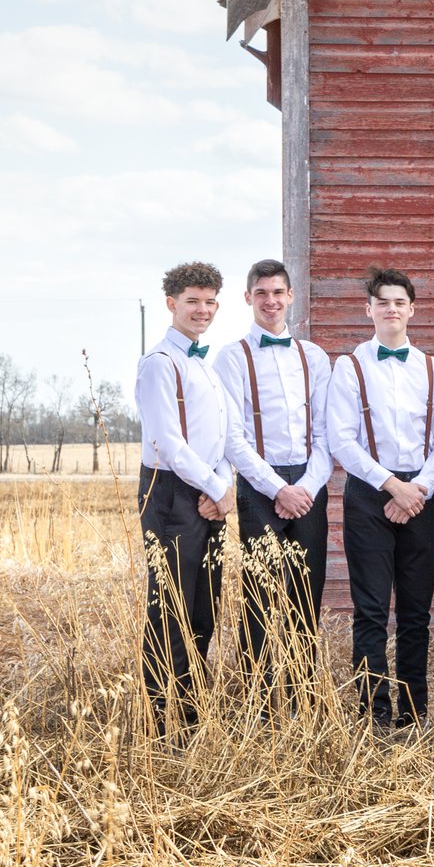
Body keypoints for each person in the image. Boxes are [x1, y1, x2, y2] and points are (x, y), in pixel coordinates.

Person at [327, 265, 434, 731]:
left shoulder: (433, 369)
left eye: (399, 302)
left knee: (415, 612)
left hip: (421, 496)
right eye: (382, 301)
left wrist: (418, 488)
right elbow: (341, 440)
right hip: (369, 494)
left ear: (412, 309)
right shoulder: (349, 366)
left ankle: (413, 714)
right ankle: (374, 714)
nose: (391, 309)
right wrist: (391, 486)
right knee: (369, 610)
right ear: (369, 309)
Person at [212, 259, 331, 691]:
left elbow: (325, 433)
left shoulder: (313, 356)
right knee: (258, 598)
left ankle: (303, 698)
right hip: (259, 487)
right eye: (261, 293)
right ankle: (258, 703)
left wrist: (305, 487)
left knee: (306, 595)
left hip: (309, 485)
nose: (270, 301)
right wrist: (278, 488)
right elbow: (232, 437)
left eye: (278, 292)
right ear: (248, 299)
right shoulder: (232, 357)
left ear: (291, 297)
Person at [136, 260, 242, 729]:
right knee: (169, 610)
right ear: (171, 304)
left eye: (210, 301)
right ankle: (160, 724)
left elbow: (221, 434)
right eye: (192, 301)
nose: (202, 310)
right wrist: (218, 489)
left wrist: (222, 482)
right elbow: (168, 443)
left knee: (203, 608)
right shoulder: (159, 365)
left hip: (208, 489)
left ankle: (193, 715)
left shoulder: (206, 365)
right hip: (171, 494)